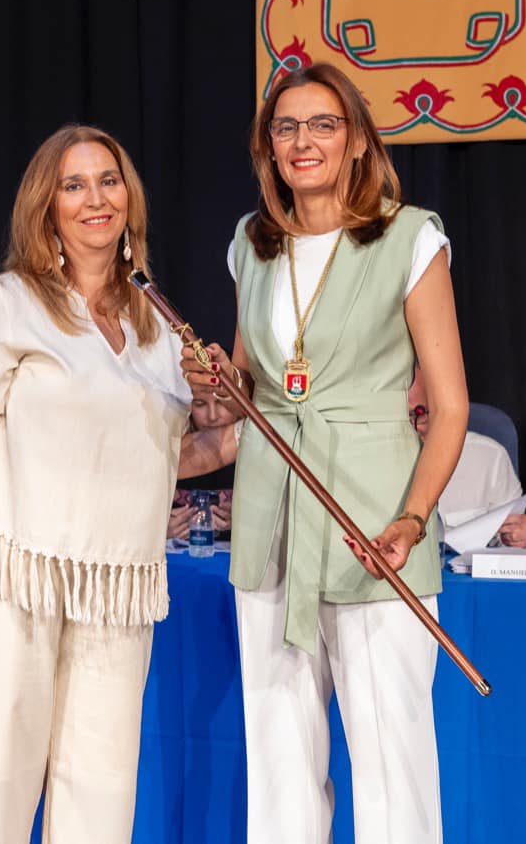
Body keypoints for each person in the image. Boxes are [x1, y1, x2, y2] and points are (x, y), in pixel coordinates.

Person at [0, 125, 235, 843]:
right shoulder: (4, 304)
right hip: (12, 579)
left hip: (116, 589)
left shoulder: (160, 326)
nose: (95, 198)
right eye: (73, 185)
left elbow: (156, 460)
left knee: (101, 799)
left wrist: (244, 422)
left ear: (129, 197)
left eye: (109, 180)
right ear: (45, 206)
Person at [180, 62, 468, 843]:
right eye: (286, 127)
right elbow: (245, 394)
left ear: (357, 141)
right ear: (268, 147)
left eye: (321, 125)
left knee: (391, 766)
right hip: (271, 518)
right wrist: (212, 382)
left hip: (372, 521)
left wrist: (411, 520)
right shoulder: (251, 245)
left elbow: (449, 408)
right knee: (279, 762)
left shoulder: (410, 237)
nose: (302, 141)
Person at [408, 374, 526, 548]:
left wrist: (521, 540)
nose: (409, 427)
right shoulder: (375, 462)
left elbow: (512, 543)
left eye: (419, 414)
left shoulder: (489, 456)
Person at [169, 392, 236, 540]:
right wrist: (160, 531)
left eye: (222, 402)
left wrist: (244, 522)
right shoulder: (167, 450)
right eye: (200, 404)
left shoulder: (253, 453)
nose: (212, 416)